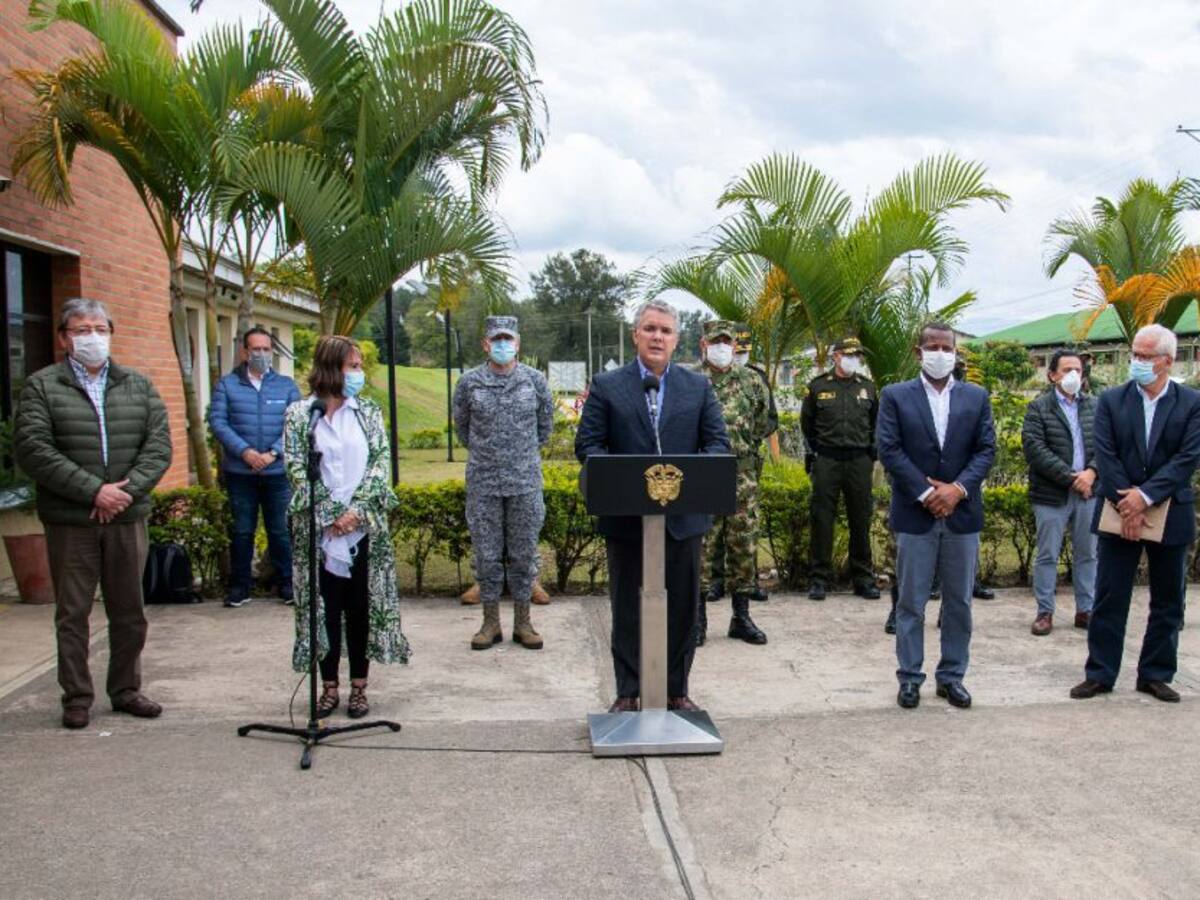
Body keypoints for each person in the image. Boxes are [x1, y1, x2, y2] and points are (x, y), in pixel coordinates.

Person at [14, 298, 172, 729]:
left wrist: (124, 493)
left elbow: (158, 447)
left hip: (126, 516)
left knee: (129, 611)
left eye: (101, 329)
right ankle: (77, 697)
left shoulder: (138, 385)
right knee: (73, 613)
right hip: (73, 520)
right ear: (64, 337)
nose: (93, 338)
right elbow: (33, 449)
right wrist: (93, 492)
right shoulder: (43, 386)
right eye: (82, 330)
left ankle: (125, 689)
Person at [576, 299, 729, 712]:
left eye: (665, 330)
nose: (657, 336)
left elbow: (717, 444)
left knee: (682, 609)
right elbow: (588, 447)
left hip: (683, 519)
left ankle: (677, 690)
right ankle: (628, 692)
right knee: (627, 608)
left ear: (676, 340)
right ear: (635, 335)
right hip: (627, 521)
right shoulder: (607, 385)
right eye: (649, 329)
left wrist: (692, 475)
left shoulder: (698, 387)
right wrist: (624, 478)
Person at [1071, 324, 1200, 704]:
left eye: (1145, 356)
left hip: (1169, 511)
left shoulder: (1191, 403)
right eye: (1135, 355)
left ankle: (1156, 674)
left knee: (1168, 599)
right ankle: (1100, 674)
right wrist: (1126, 503)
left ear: (1167, 360)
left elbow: (1188, 458)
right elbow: (1105, 456)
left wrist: (1144, 497)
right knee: (1110, 595)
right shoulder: (1112, 400)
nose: (1137, 362)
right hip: (1117, 510)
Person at [283, 335, 410, 719]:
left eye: (359, 367)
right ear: (330, 368)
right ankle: (329, 687)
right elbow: (296, 467)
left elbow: (379, 463)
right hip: (319, 532)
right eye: (352, 367)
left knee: (359, 607)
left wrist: (354, 513)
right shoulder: (300, 414)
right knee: (325, 608)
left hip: (363, 527)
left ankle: (359, 687)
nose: (358, 374)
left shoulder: (368, 412)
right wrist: (330, 514)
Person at [877, 322, 995, 710]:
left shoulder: (976, 397)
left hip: (962, 514)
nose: (940, 353)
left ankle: (952, 677)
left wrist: (957, 490)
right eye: (933, 346)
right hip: (916, 513)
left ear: (956, 352)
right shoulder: (895, 396)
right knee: (911, 601)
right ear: (919, 351)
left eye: (947, 347)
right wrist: (928, 492)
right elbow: (890, 449)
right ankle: (909, 677)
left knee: (958, 602)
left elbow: (986, 450)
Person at [453, 315, 553, 650]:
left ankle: (523, 623)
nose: (502, 345)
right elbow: (462, 429)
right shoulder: (469, 383)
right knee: (487, 555)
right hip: (484, 482)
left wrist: (517, 455)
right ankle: (490, 623)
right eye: (496, 339)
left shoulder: (534, 381)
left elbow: (545, 428)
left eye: (507, 339)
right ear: (485, 343)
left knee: (524, 554)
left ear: (518, 343)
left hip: (524, 481)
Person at [209, 326, 301, 607]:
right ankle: (240, 586)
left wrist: (273, 452)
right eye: (255, 349)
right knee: (241, 530)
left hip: (276, 472)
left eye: (265, 349)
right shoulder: (227, 384)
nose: (261, 354)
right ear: (244, 352)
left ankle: (287, 584)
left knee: (280, 531)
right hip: (241, 473)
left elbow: (295, 424)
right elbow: (218, 422)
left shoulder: (286, 386)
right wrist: (246, 452)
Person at [697, 320, 772, 646]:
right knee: (701, 548)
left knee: (744, 547)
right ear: (704, 344)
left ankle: (741, 618)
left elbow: (762, 423)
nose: (723, 347)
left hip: (742, 476)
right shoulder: (691, 381)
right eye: (717, 341)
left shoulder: (752, 381)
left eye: (727, 341)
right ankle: (696, 620)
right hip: (702, 475)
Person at [1021, 349, 1098, 636]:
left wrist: (1091, 472)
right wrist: (1070, 478)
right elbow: (1035, 450)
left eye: (1077, 370)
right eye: (1066, 370)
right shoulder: (1038, 408)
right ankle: (1045, 611)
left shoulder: (1095, 406)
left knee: (1088, 553)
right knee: (1047, 554)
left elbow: (1107, 445)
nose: (1073, 376)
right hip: (1052, 494)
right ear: (1052, 375)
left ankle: (1086, 610)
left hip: (1089, 492)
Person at [801, 337, 880, 600]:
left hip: (859, 460)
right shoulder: (818, 386)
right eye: (849, 354)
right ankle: (819, 578)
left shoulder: (868, 388)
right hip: (827, 460)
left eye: (857, 355)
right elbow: (808, 424)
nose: (854, 359)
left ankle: (863, 578)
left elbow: (875, 423)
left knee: (861, 518)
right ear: (835, 356)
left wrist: (871, 452)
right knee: (822, 519)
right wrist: (817, 451)